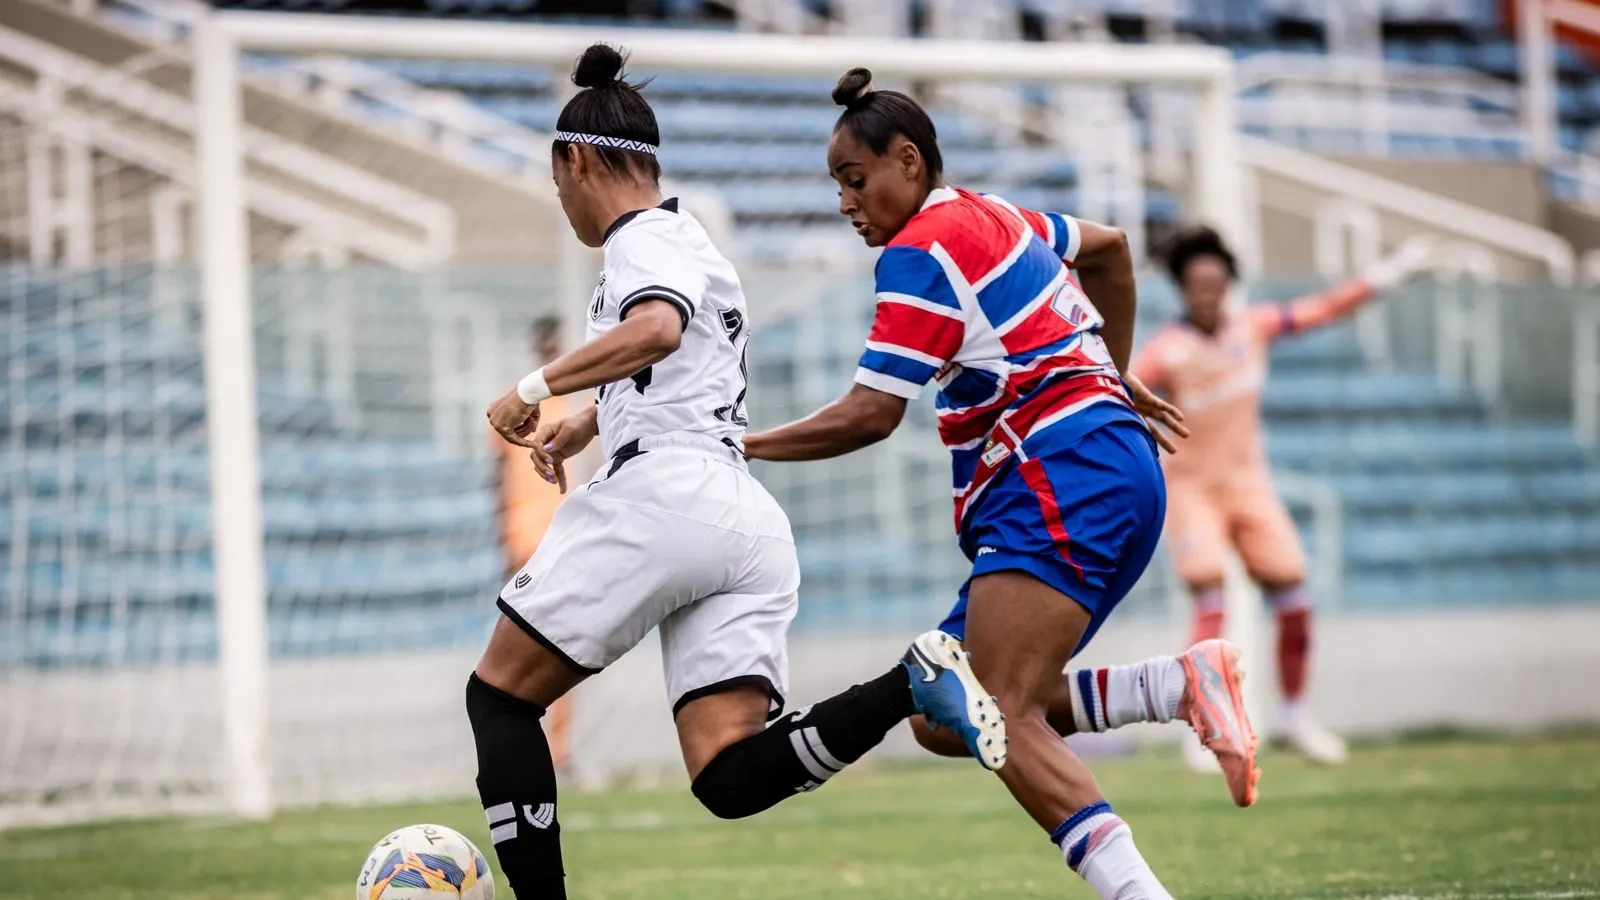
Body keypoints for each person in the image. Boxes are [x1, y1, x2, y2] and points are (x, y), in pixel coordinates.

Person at [470, 45, 1002, 900]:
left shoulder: (640, 242)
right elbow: (675, 370)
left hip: (665, 501)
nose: (562, 199)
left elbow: (655, 334)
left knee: (499, 697)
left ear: (573, 159)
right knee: (727, 775)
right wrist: (586, 424)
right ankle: (914, 680)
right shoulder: (689, 242)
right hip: (737, 519)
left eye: (557, 178)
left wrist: (530, 389)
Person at [742, 68, 1259, 900]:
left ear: (907, 161)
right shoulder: (995, 214)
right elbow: (1113, 252)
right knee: (941, 712)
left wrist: (741, 445)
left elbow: (871, 415)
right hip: (1106, 461)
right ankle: (1172, 685)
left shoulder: (918, 251)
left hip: (1060, 472)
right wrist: (1104, 376)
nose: (846, 202)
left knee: (1001, 714)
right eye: (837, 185)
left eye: (854, 179)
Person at [1131, 226, 1436, 768]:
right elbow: (1121, 384)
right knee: (1210, 596)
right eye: (1198, 283)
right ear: (1182, 288)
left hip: (1249, 485)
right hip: (1192, 488)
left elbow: (1323, 310)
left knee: (1295, 595)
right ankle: (1199, 722)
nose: (1208, 292)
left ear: (1229, 284)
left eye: (1216, 282)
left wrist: (1387, 275)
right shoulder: (1166, 352)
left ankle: (1294, 715)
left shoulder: (1252, 328)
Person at [488, 316, 585, 770]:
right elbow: (494, 477)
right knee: (533, 646)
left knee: (562, 646)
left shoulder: (583, 406)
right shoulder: (515, 404)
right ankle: (536, 746)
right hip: (526, 539)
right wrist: (500, 536)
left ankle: (556, 749)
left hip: (567, 537)